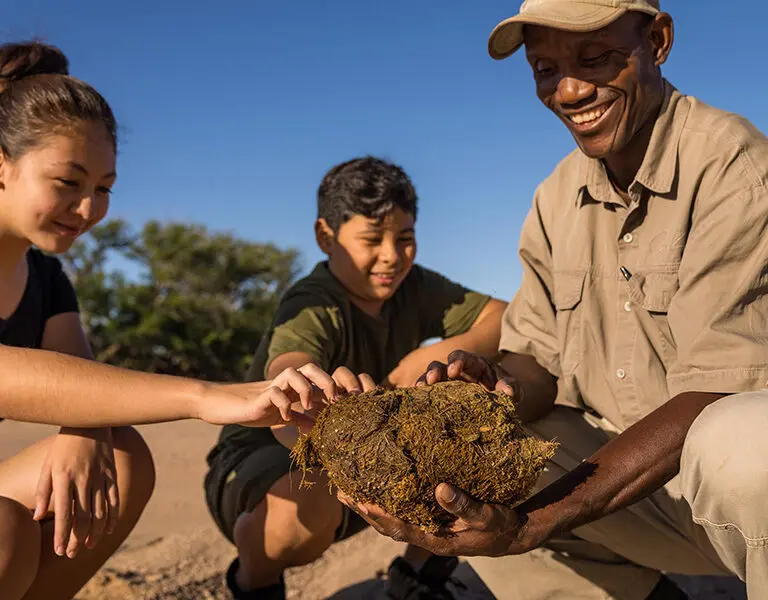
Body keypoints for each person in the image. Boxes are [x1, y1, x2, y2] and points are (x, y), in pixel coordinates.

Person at [339, 2, 768, 599]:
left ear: (658, 41)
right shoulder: (555, 198)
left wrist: (532, 524)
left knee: (743, 442)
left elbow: (716, 388)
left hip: (742, 508)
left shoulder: (733, 166)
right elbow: (535, 362)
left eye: (594, 59)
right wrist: (494, 385)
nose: (568, 90)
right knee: (468, 460)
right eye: (544, 68)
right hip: (640, 493)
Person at [0, 41, 352, 600]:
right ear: (2, 165)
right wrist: (206, 396)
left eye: (103, 189)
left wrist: (84, 425)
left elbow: (75, 376)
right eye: (68, 183)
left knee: (120, 458)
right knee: (4, 533)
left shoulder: (46, 280)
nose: (89, 209)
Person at [204, 156, 507, 599]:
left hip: (372, 453)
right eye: (371, 239)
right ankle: (255, 580)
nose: (392, 256)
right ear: (325, 237)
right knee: (305, 510)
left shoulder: (416, 286)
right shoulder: (313, 301)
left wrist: (432, 356)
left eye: (405, 239)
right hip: (267, 462)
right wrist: (307, 395)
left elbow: (503, 317)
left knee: (484, 414)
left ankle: (418, 574)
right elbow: (286, 374)